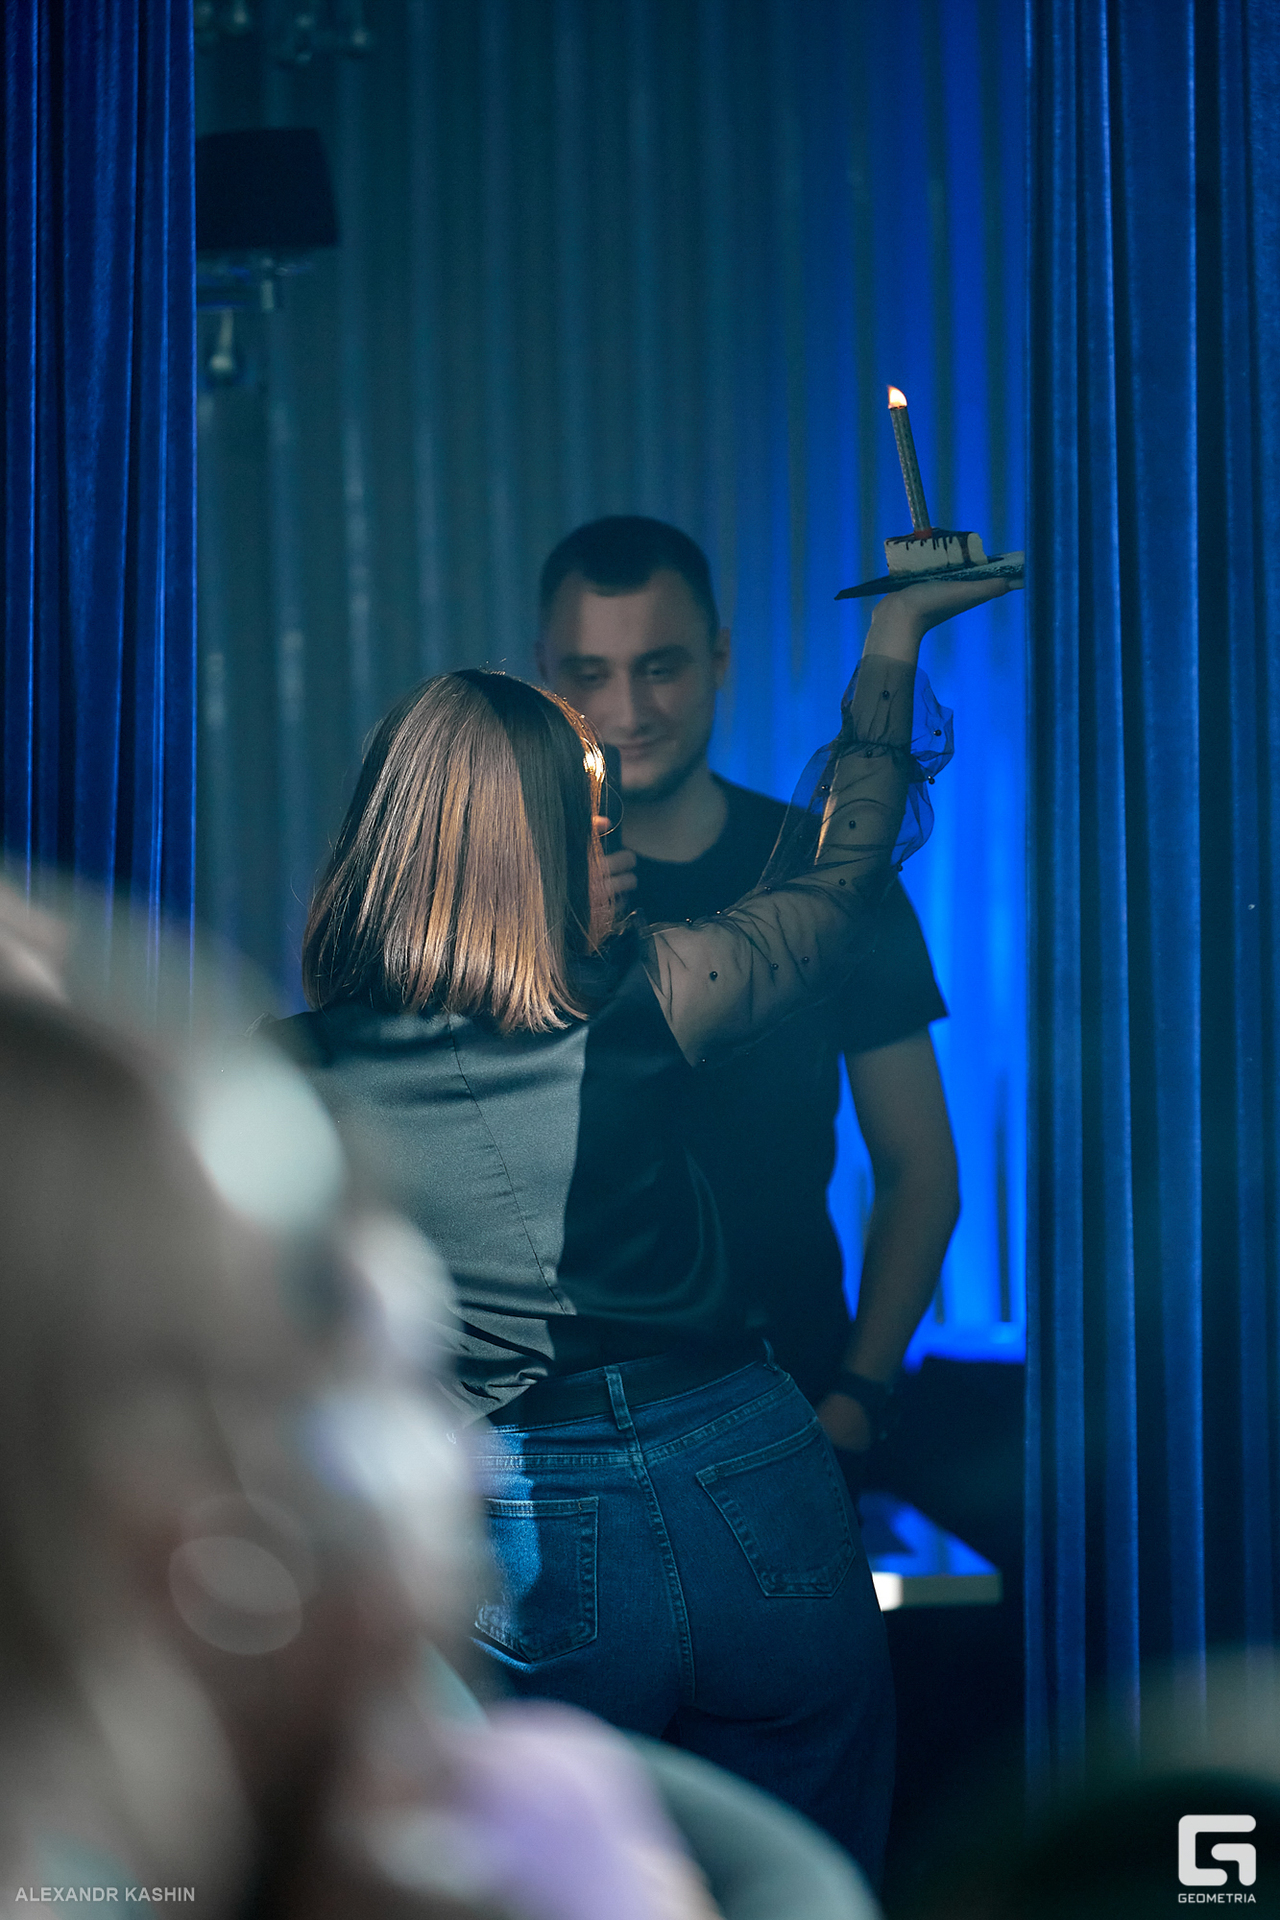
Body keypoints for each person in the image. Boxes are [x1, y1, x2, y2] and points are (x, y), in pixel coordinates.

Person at [272, 570, 1009, 1882]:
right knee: (807, 1887)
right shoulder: (657, 992)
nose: (617, 851)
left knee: (554, 1893)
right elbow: (844, 874)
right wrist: (892, 640)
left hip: (518, 1530)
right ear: (521, 853)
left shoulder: (289, 1079)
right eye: (589, 824)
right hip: (757, 1479)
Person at [536, 517, 960, 1469]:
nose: (627, 710)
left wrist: (856, 1398)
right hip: (563, 1441)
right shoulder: (495, 895)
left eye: (660, 667)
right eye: (590, 674)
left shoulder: (832, 878)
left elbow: (921, 1168)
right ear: (543, 676)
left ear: (720, 658)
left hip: (793, 1399)